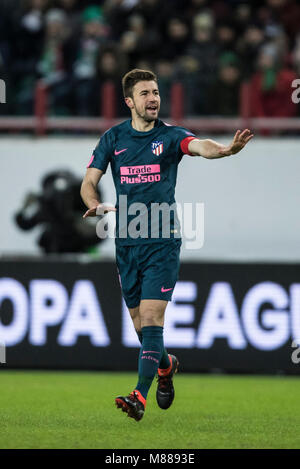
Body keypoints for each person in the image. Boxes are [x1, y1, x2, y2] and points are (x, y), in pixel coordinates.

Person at [80, 68, 253, 421]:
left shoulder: (171, 137)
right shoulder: (113, 139)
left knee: (151, 317)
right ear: (129, 101)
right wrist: (93, 203)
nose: (153, 98)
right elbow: (89, 181)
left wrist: (224, 150)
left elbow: (199, 145)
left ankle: (137, 397)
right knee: (143, 331)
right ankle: (165, 366)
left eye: (156, 92)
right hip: (127, 244)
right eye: (145, 94)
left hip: (162, 241)